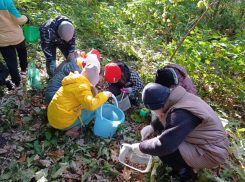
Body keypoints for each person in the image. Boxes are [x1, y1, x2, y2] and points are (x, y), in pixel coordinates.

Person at [131, 83, 229, 182]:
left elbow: (164, 146)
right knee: (163, 133)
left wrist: (141, 147)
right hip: (207, 142)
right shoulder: (176, 98)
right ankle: (183, 161)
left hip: (211, 153)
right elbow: (167, 114)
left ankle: (183, 172)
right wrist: (152, 126)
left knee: (164, 152)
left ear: (157, 106)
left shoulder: (181, 114)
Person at [47, 64, 112, 138]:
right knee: (95, 109)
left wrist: (93, 90)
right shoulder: (83, 88)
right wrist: (104, 95)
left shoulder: (74, 81)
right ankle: (73, 130)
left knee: (88, 107)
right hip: (62, 124)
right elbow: (92, 105)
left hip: (52, 119)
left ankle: (79, 122)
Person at [0, 0, 29, 90]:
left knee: (11, 62)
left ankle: (17, 84)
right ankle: (23, 71)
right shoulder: (6, 2)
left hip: (2, 40)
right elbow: (18, 20)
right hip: (16, 36)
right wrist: (26, 18)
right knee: (22, 51)